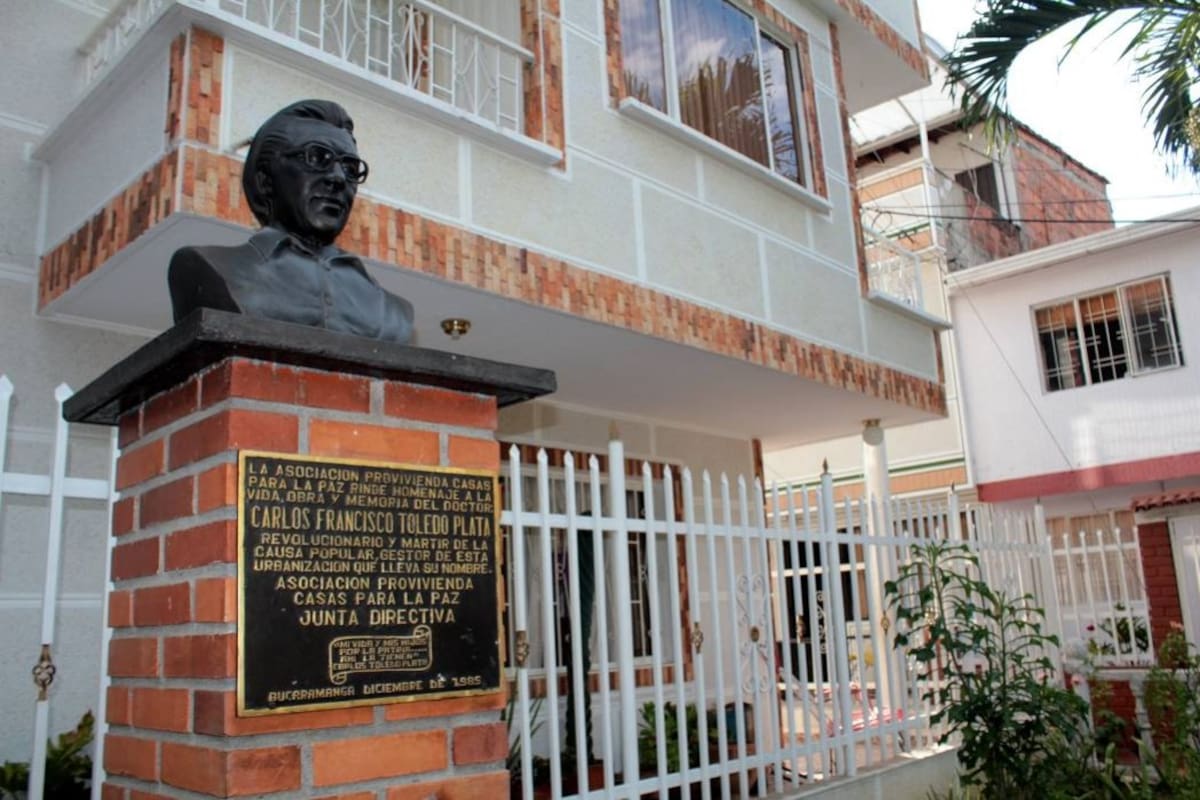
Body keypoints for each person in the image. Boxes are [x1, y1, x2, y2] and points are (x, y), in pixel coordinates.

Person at [168, 99, 414, 343]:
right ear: (266, 180)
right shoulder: (209, 267)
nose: (339, 178)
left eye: (350, 168)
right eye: (317, 157)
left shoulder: (393, 312)